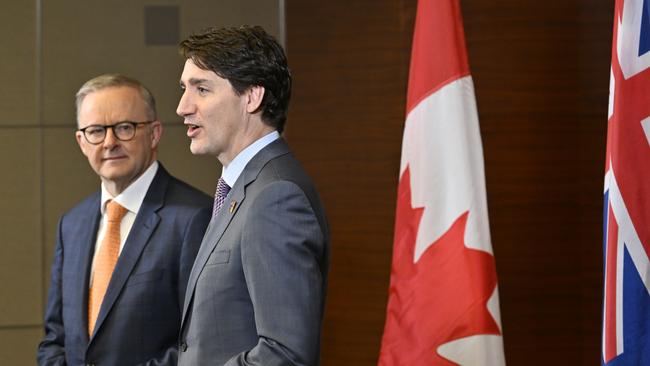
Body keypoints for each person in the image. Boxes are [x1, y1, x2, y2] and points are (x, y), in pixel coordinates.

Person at [176, 25, 330, 365]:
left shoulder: (276, 197)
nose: (182, 107)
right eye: (184, 89)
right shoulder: (244, 189)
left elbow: (285, 354)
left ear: (252, 97)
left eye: (201, 89)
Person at [37, 74, 212, 366]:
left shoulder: (195, 218)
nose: (109, 142)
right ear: (81, 142)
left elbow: (200, 341)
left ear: (154, 133)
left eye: (125, 128)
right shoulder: (72, 224)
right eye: (95, 131)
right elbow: (55, 338)